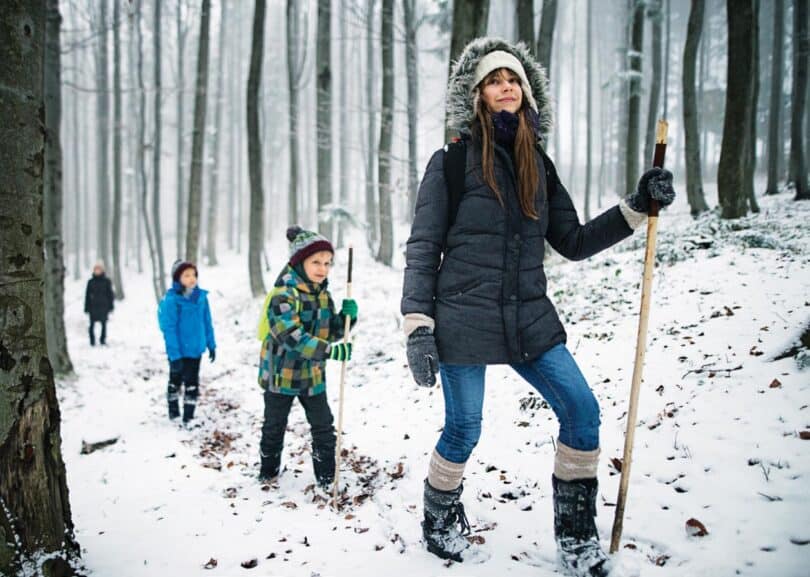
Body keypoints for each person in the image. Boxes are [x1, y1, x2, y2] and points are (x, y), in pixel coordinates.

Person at [401, 38, 675, 576]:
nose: (506, 87)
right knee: (463, 429)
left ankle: (575, 540)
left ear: (525, 95)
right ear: (478, 95)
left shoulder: (537, 164)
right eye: (495, 80)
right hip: (462, 315)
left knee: (582, 411)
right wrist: (418, 325)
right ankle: (439, 521)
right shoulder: (452, 162)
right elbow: (422, 246)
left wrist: (638, 207)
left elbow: (571, 239)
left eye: (514, 81)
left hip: (528, 317)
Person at [257, 226, 357, 489]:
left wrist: (346, 319)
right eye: (316, 262)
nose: (322, 268)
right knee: (274, 425)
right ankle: (268, 471)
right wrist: (329, 351)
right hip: (281, 374)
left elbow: (331, 332)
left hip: (312, 374)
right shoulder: (283, 294)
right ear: (299, 261)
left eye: (327, 263)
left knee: (323, 425)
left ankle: (327, 478)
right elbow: (290, 336)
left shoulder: (322, 293)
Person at [157, 260, 216, 423]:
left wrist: (211, 344)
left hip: (196, 349)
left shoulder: (201, 297)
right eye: (187, 275)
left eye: (194, 275)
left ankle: (188, 417)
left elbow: (207, 322)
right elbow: (169, 329)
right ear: (178, 278)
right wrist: (174, 355)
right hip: (179, 351)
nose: (192, 278)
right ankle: (174, 413)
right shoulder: (172, 300)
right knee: (175, 381)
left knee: (192, 383)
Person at [84, 261, 115, 346]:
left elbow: (110, 294)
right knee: (91, 325)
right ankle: (92, 340)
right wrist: (86, 307)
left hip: (103, 306)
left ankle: (102, 339)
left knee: (104, 324)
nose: (97, 271)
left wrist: (111, 306)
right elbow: (87, 295)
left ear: (102, 270)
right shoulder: (90, 282)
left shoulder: (106, 281)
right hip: (93, 307)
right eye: (96, 269)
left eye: (99, 269)